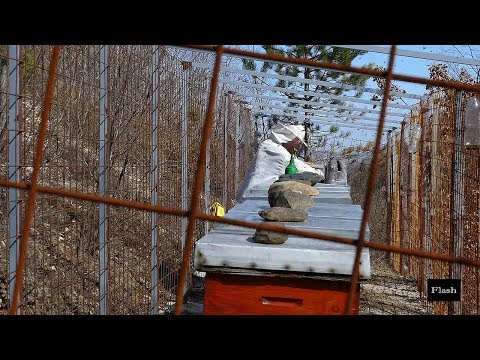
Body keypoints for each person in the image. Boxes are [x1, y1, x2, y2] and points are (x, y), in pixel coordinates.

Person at [236, 123, 324, 203]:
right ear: (292, 139)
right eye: (298, 142)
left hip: (253, 195)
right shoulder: (276, 151)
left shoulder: (270, 145)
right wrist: (320, 173)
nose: (298, 146)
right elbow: (299, 168)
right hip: (252, 198)